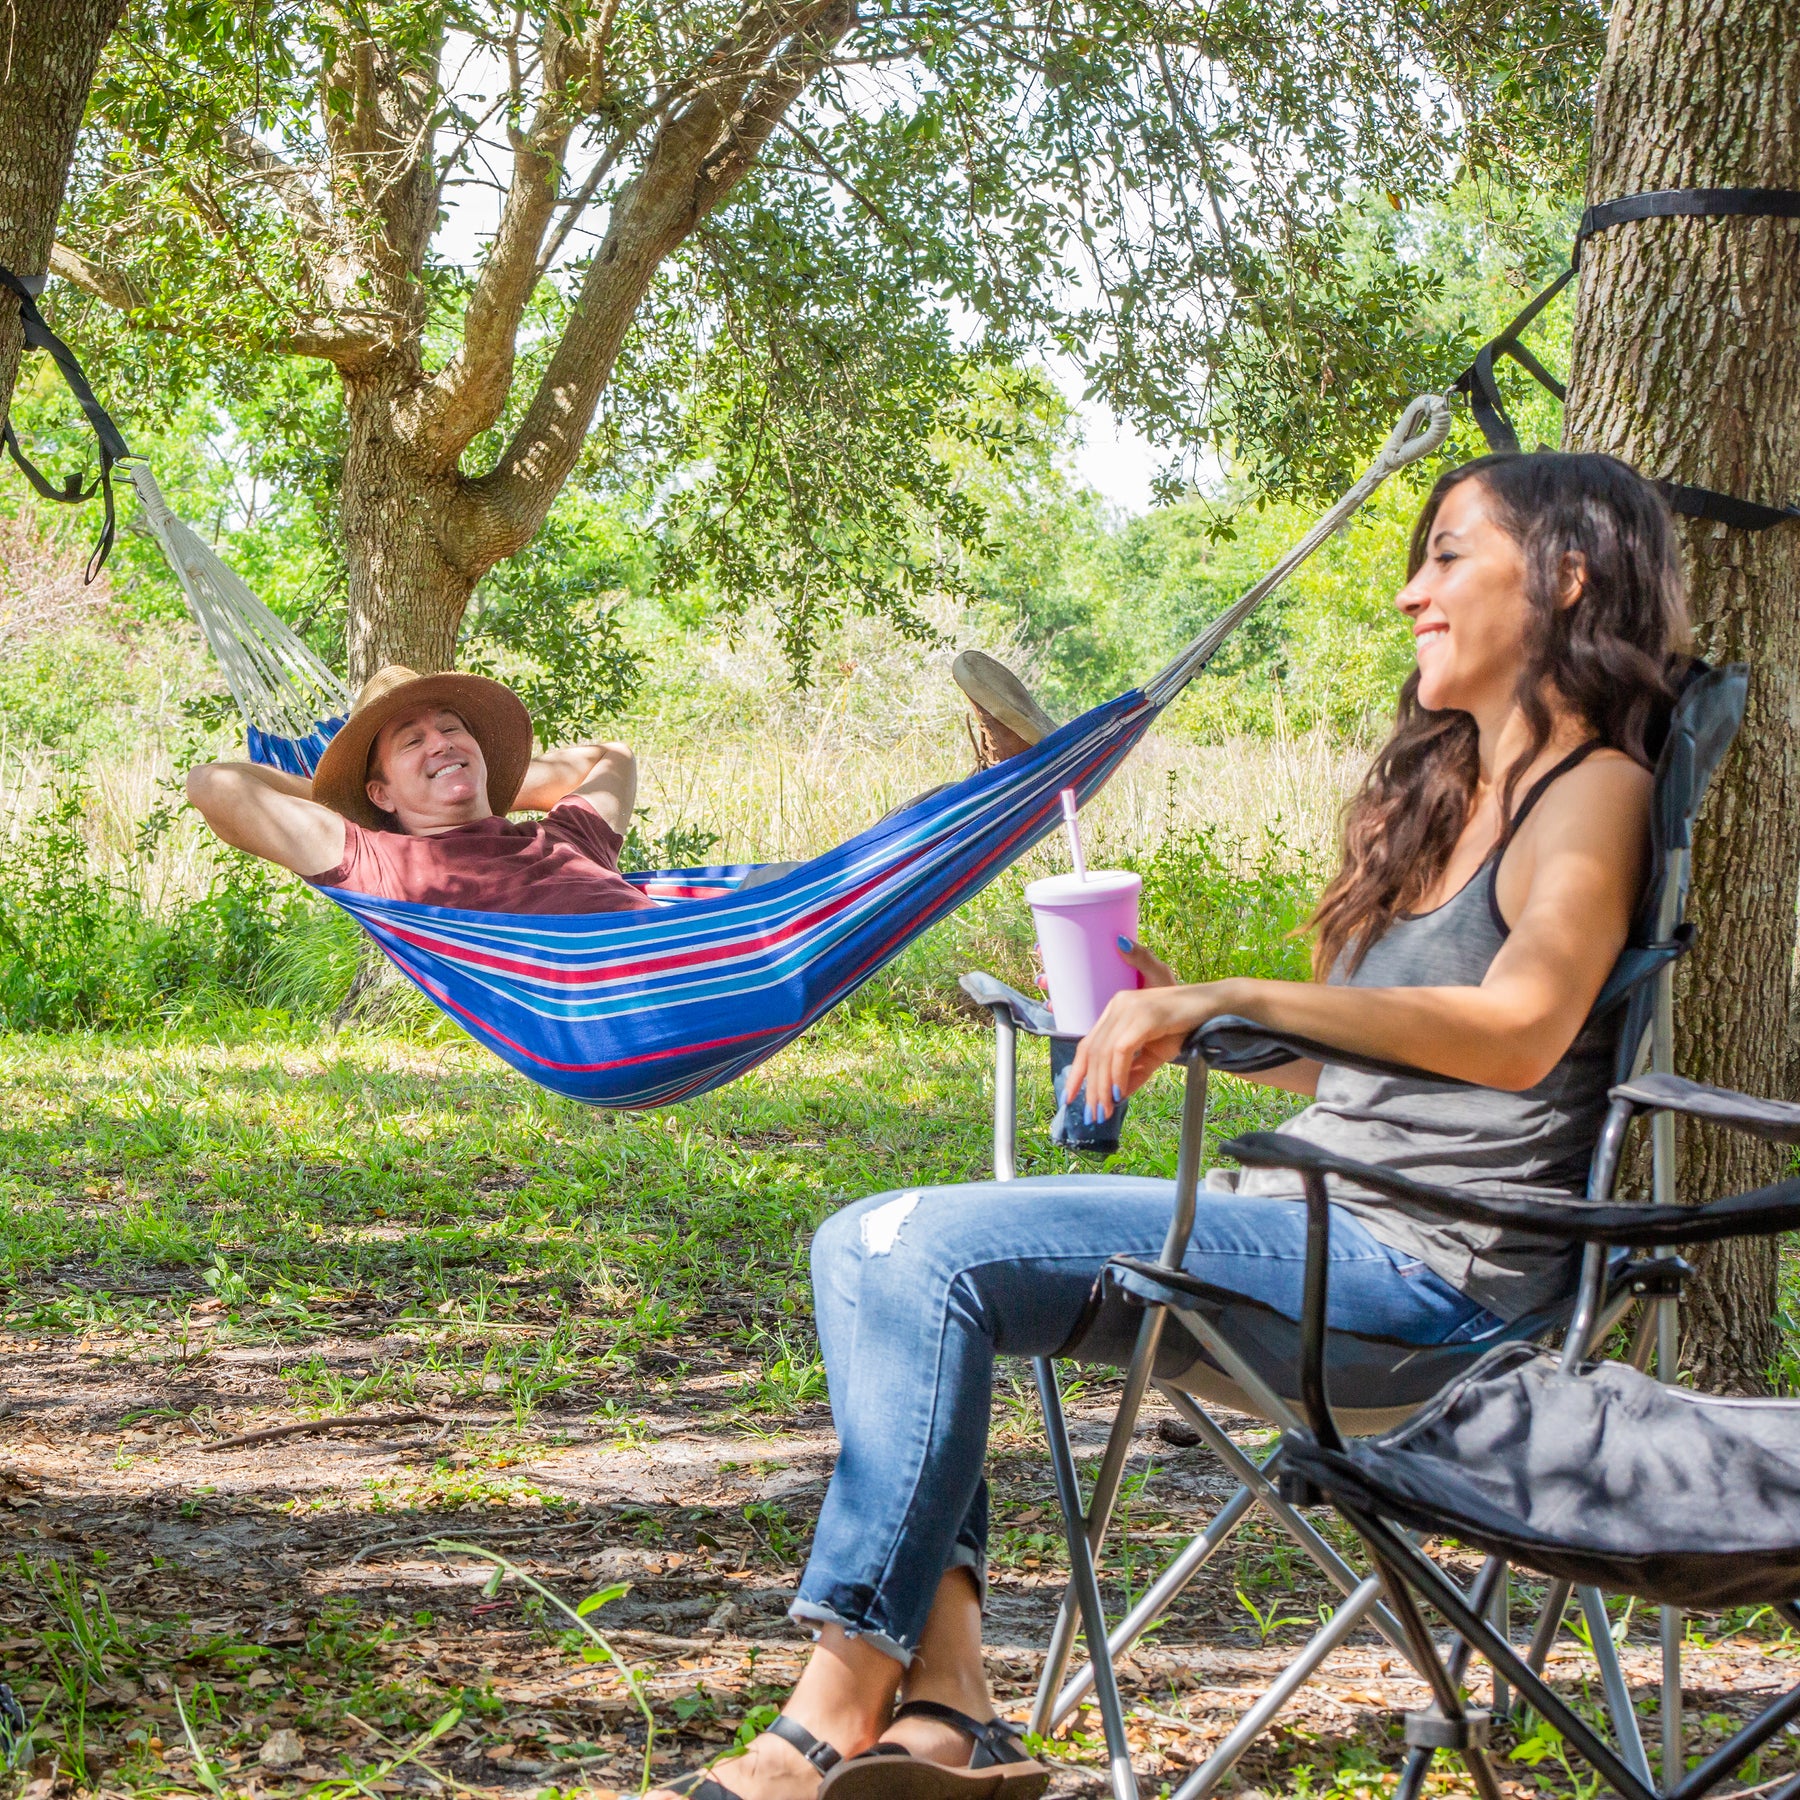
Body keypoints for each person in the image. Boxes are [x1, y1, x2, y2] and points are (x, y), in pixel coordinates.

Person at [653, 451, 1693, 1800]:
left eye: (1447, 554)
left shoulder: (1591, 788)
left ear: (1565, 572)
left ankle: (834, 1707)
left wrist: (1243, 993)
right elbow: (1375, 1069)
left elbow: (1522, 1028)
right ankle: (947, 1703)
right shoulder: (1440, 798)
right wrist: (1177, 1009)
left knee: (917, 1253)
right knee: (874, 1241)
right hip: (1314, 1234)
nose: (1407, 593)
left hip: (1433, 1286)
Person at [182, 651, 1058, 908]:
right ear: (378, 794)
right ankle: (1001, 790)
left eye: (453, 727)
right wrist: (345, 797)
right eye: (409, 741)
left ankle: (995, 792)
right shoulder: (373, 859)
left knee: (847, 874)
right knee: (843, 887)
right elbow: (216, 783)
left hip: (715, 936)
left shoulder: (563, 836)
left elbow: (612, 761)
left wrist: (485, 778)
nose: (441, 740)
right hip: (638, 987)